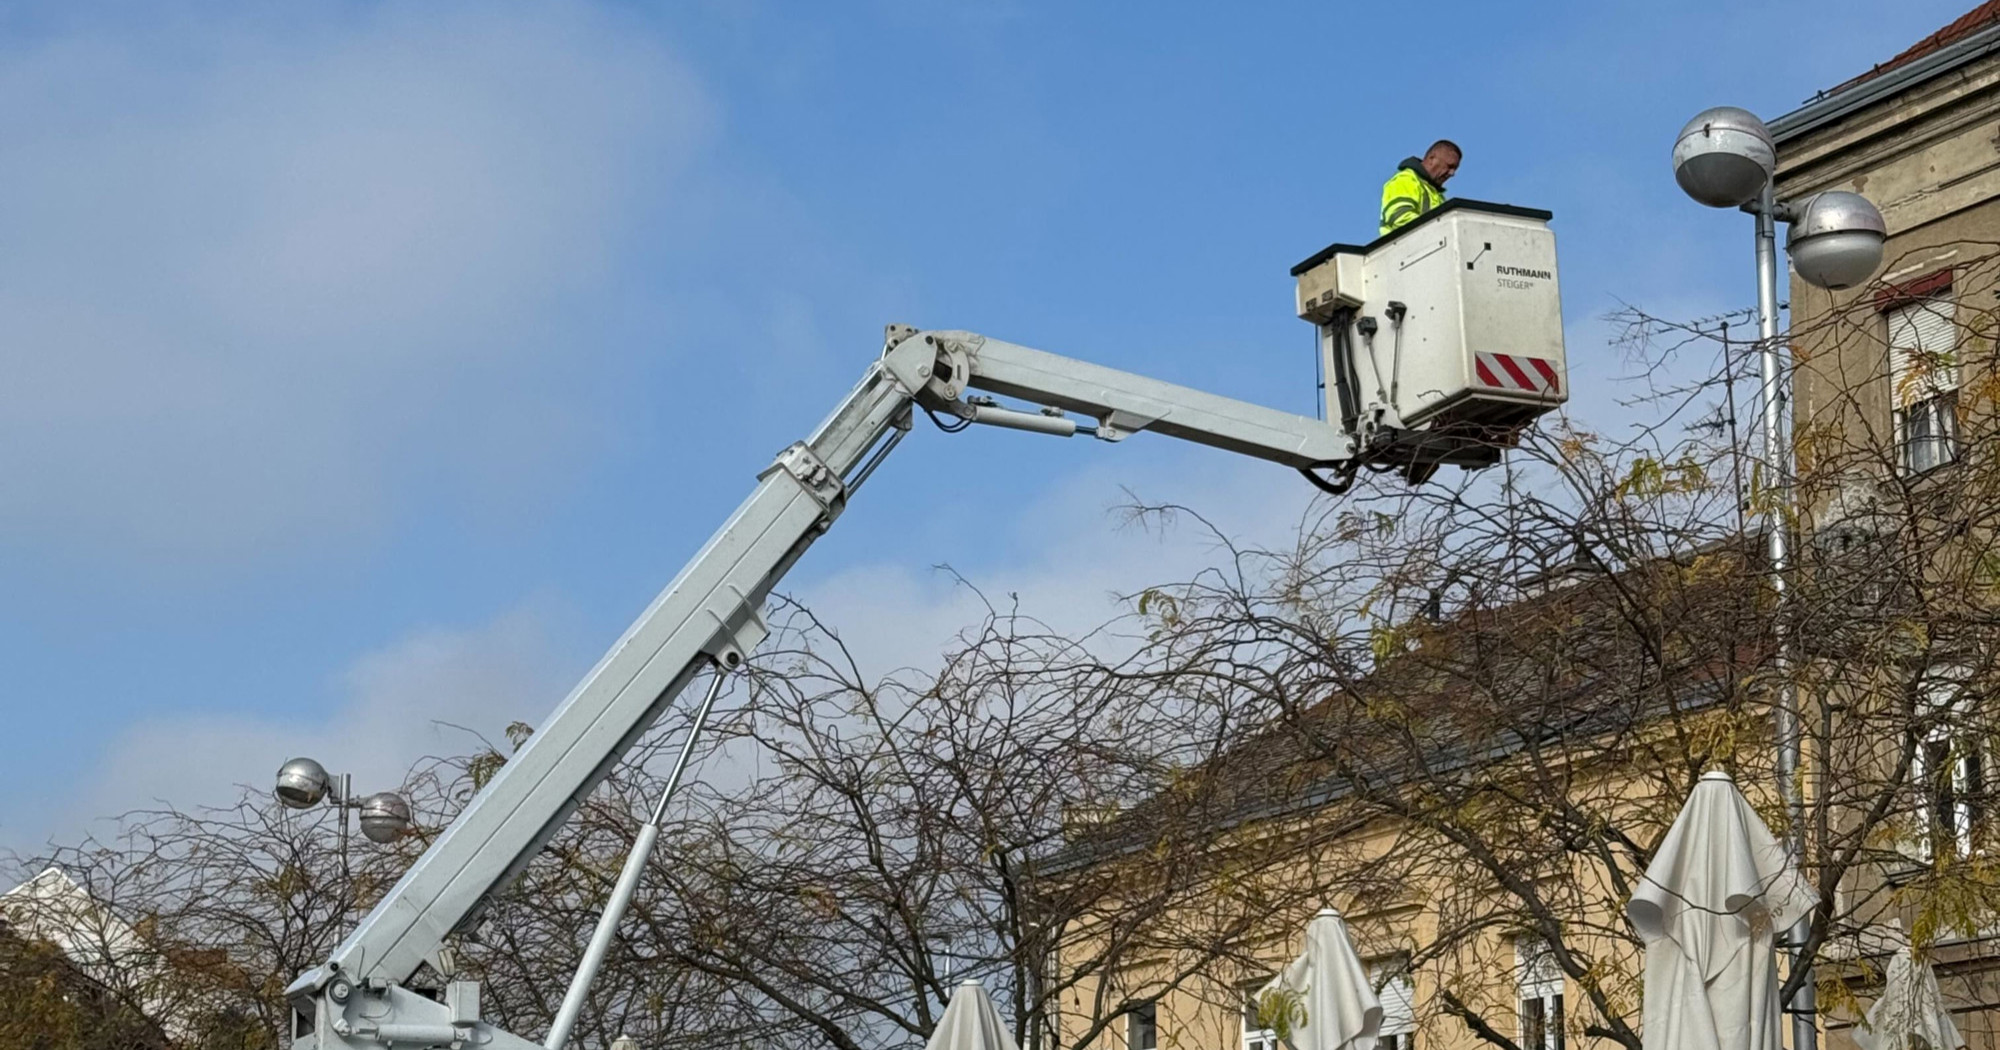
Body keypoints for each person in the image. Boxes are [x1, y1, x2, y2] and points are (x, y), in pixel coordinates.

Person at [1379, 140, 1461, 236]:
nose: (1452, 173)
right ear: (1431, 159)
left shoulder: (1437, 195)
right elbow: (1401, 217)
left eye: (1455, 169)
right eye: (1449, 166)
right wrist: (1437, 233)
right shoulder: (1405, 180)